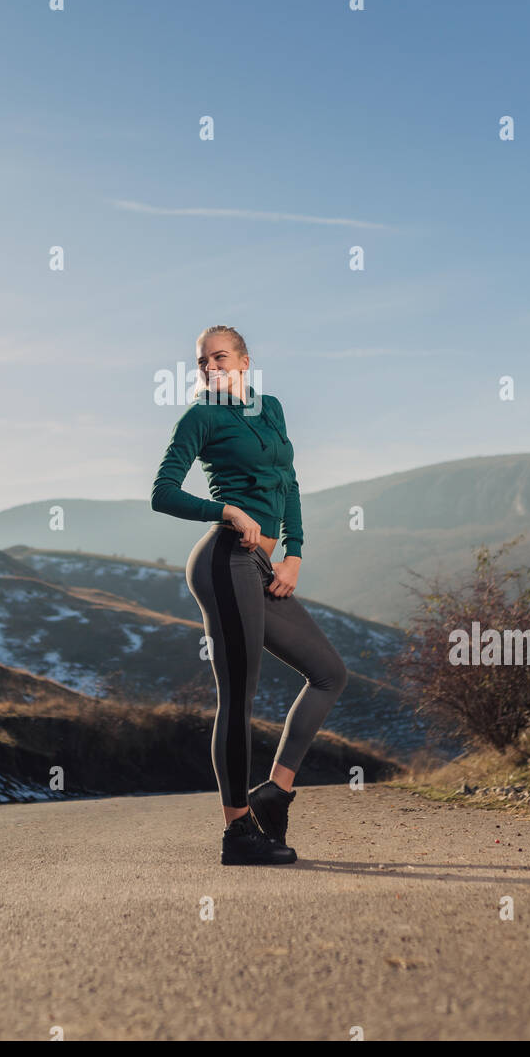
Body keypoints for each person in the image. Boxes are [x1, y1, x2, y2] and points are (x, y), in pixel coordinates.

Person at [150, 325, 349, 865]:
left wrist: (295, 553)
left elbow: (289, 482)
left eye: (219, 357)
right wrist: (228, 511)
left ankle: (275, 792)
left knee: (330, 672)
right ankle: (237, 832)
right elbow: (162, 493)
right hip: (224, 560)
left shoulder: (272, 409)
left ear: (243, 361)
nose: (210, 368)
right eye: (201, 362)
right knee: (239, 698)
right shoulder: (199, 418)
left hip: (264, 562)